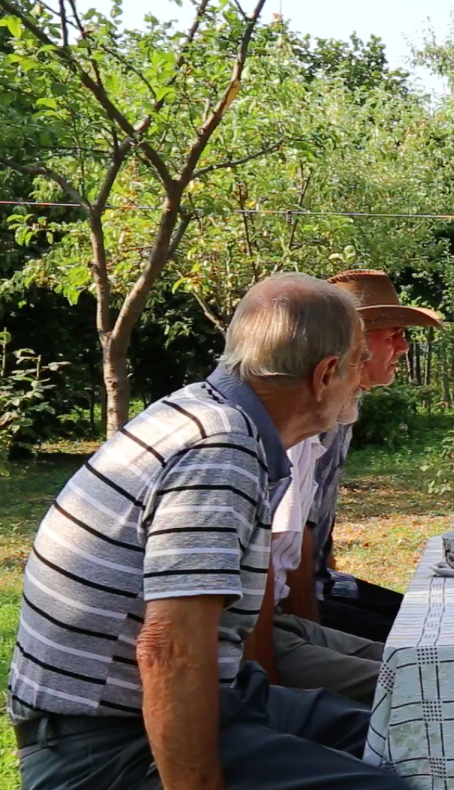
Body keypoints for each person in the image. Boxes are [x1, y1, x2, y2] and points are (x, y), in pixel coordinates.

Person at [7, 274, 408, 789]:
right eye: (357, 363)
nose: (360, 381)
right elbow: (169, 650)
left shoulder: (207, 414)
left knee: (418, 734)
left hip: (210, 699)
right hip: (107, 744)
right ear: (326, 373)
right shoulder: (221, 451)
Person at [261, 270, 443, 681]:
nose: (403, 346)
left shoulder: (344, 409)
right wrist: (314, 640)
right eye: (392, 334)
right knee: (421, 658)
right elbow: (292, 539)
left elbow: (315, 526)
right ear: (350, 343)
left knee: (429, 621)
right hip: (293, 605)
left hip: (320, 584)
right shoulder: (310, 414)